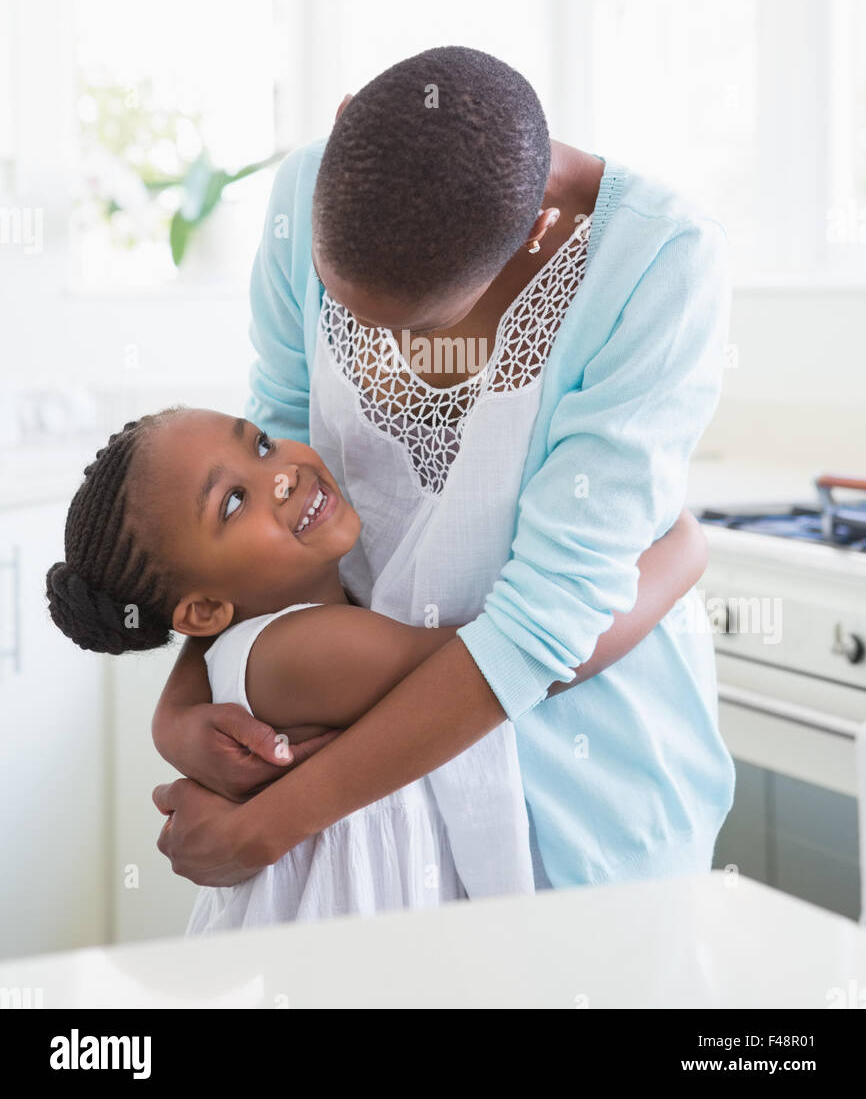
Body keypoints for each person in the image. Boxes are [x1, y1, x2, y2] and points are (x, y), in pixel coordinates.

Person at [151, 45, 735, 892]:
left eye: (416, 325)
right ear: (343, 119)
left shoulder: (661, 264)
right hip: (364, 810)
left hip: (582, 809)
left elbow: (545, 624)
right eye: (345, 309)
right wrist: (182, 707)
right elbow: (264, 499)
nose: (382, 350)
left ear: (536, 228)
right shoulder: (307, 191)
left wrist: (266, 828)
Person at [45, 407, 702, 925]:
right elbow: (523, 661)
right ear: (208, 608)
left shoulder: (261, 642)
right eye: (235, 502)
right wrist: (683, 554)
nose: (281, 474)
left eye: (262, 444)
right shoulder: (309, 650)